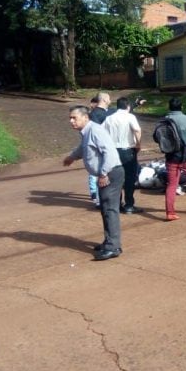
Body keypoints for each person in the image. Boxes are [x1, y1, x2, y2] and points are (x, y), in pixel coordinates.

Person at [63, 106, 124, 261]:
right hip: (106, 174)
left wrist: (103, 173)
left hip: (110, 173)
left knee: (110, 210)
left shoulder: (95, 130)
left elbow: (108, 152)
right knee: (105, 209)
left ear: (85, 117)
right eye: (70, 118)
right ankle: (109, 241)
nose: (71, 121)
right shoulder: (86, 132)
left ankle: (113, 247)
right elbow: (83, 149)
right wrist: (71, 157)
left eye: (74, 118)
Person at [103, 97, 143, 214]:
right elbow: (137, 130)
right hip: (127, 150)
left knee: (115, 179)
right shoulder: (130, 117)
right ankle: (129, 205)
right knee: (129, 178)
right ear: (128, 106)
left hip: (113, 152)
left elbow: (101, 132)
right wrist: (138, 144)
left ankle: (117, 204)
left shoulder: (109, 118)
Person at [86, 92, 111, 207]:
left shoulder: (94, 115)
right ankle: (97, 196)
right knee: (97, 173)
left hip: (94, 146)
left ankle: (97, 197)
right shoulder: (95, 115)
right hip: (97, 146)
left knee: (97, 172)